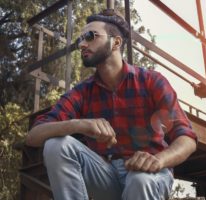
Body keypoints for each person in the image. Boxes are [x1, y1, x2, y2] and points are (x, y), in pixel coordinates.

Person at [26, 9, 197, 200]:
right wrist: (78, 124)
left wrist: (158, 160)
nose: (82, 44)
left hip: (150, 175)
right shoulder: (82, 91)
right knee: (56, 145)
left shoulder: (151, 81)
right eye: (80, 39)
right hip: (106, 175)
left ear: (116, 42)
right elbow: (33, 135)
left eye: (90, 36)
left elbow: (187, 138)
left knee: (139, 180)